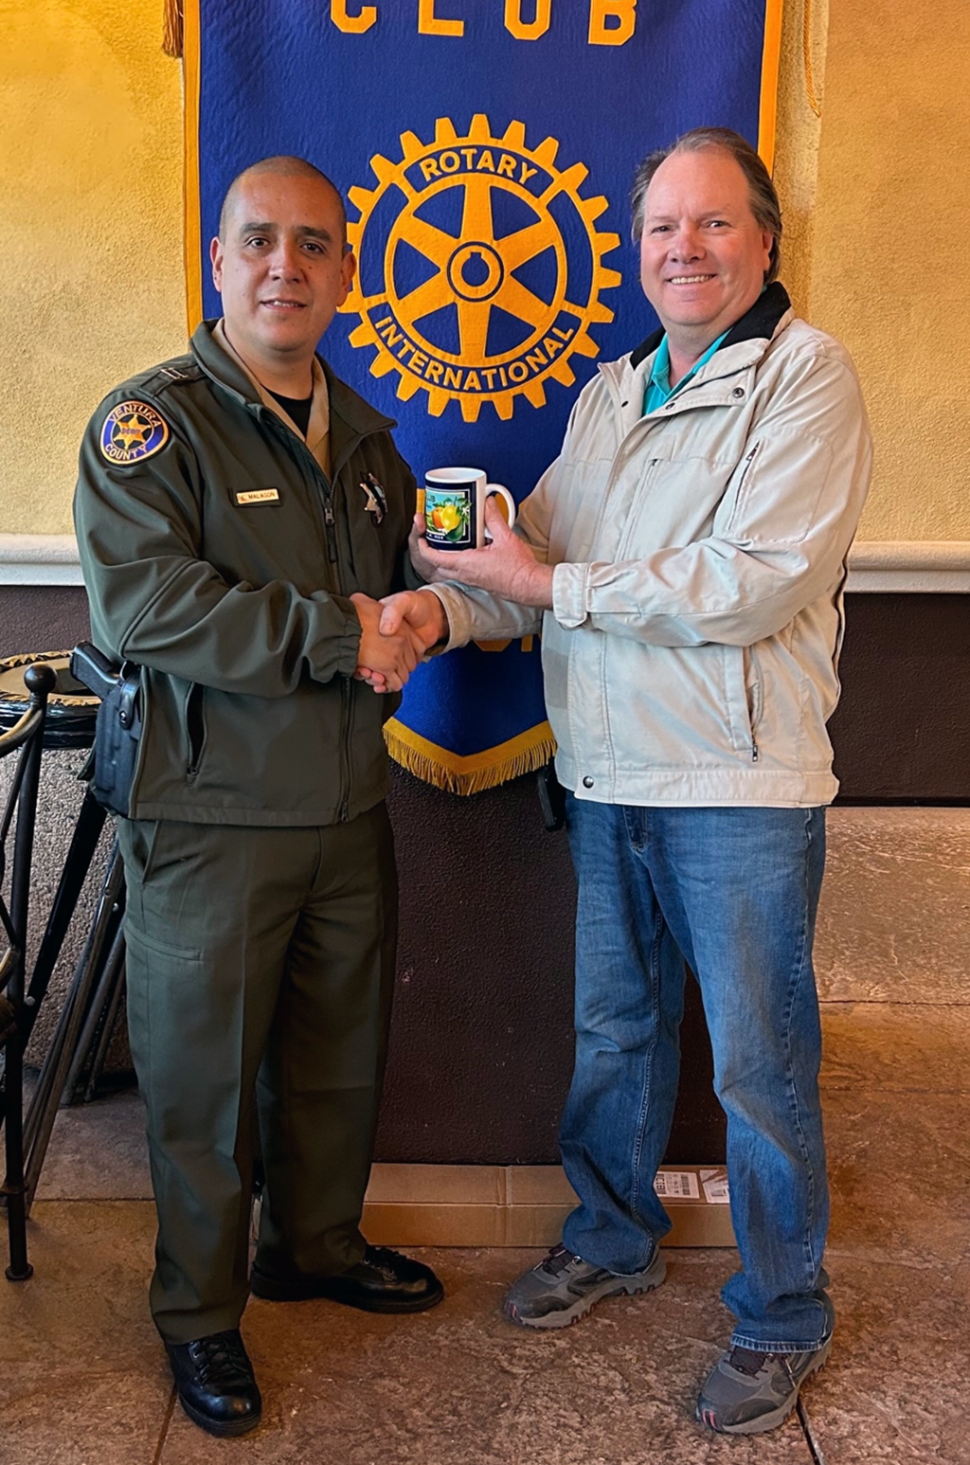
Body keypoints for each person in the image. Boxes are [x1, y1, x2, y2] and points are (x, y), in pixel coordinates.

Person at [376, 128, 872, 1436]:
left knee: (760, 1066)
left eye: (711, 224)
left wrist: (538, 586)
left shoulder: (804, 379)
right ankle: (609, 1232)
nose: (682, 248)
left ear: (766, 242)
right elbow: (538, 551)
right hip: (604, 774)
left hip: (736, 782)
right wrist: (441, 616)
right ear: (635, 249)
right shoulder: (612, 391)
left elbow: (746, 581)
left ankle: (780, 1310)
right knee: (614, 1028)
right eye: (661, 227)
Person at [74, 156, 442, 1439]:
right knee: (204, 1086)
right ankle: (198, 1312)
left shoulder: (377, 443)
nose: (286, 264)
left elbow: (397, 604)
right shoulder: (152, 425)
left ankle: (316, 1248)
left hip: (347, 810)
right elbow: (145, 603)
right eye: (259, 242)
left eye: (314, 245)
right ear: (219, 260)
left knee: (337, 1067)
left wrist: (428, 616)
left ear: (347, 271)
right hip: (213, 815)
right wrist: (348, 633)